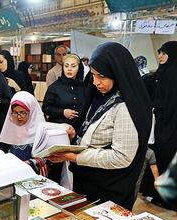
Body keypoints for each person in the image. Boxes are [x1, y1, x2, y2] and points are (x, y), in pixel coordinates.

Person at [48, 42, 151, 210]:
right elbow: (93, 124)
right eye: (93, 75)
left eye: (102, 76)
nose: (95, 82)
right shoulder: (99, 95)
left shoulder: (125, 107)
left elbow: (121, 157)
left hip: (109, 188)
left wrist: (73, 157)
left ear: (117, 74)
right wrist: (78, 134)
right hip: (88, 180)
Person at [147, 41, 177, 174]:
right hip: (161, 123)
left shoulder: (173, 74)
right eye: (159, 53)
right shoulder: (162, 73)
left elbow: (170, 100)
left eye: (164, 53)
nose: (160, 56)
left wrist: (154, 105)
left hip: (171, 125)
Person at [0, 91, 46, 162]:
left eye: (22, 112)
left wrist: (31, 163)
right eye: (15, 112)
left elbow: (47, 158)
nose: (18, 117)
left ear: (32, 112)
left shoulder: (41, 132)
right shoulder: (11, 128)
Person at [42, 53, 86, 129]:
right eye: (66, 66)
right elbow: (45, 108)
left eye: (73, 66)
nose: (69, 69)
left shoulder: (83, 86)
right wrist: (63, 112)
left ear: (79, 68)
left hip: (78, 128)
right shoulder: (55, 87)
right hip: (59, 128)